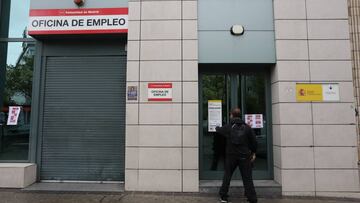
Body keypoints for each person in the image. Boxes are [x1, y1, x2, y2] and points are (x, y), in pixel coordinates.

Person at [216, 107, 257, 203]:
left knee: (227, 176)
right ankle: (252, 199)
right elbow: (254, 142)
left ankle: (223, 196)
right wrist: (253, 152)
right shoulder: (247, 127)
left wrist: (216, 127)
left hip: (231, 156)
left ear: (231, 115)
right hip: (244, 156)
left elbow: (219, 130)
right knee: (247, 178)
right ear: (239, 115)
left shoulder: (228, 127)